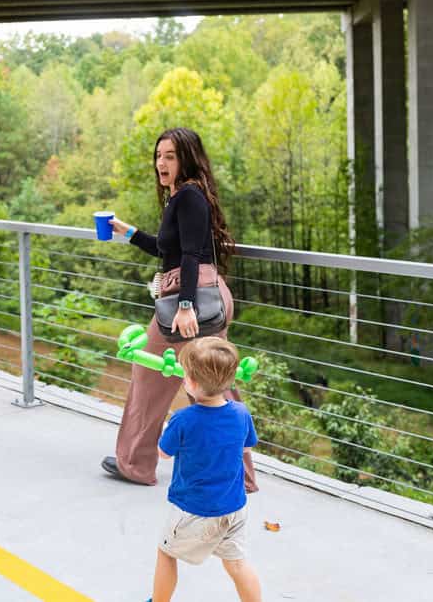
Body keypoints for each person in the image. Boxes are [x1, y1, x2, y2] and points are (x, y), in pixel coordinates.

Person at [101, 127, 257, 493]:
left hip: (188, 300)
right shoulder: (184, 196)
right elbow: (166, 249)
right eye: (159, 155)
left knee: (151, 375)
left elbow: (188, 256)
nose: (161, 162)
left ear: (186, 159)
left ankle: (135, 464)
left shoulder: (188, 196)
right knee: (214, 380)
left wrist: (186, 306)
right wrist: (128, 232)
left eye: (170, 156)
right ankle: (240, 475)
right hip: (202, 296)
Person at [151, 337, 262, 602]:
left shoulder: (183, 419)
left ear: (190, 382)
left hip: (195, 510)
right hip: (234, 508)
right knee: (237, 564)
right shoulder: (241, 412)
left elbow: (164, 453)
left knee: (166, 553)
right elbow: (246, 447)